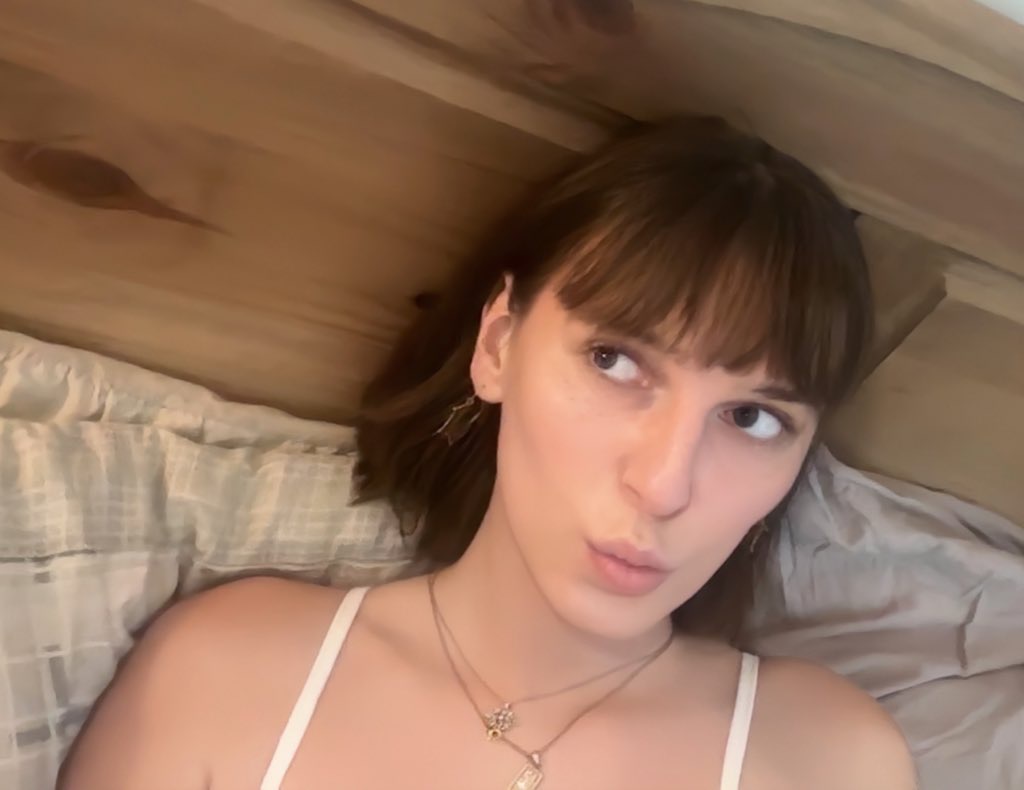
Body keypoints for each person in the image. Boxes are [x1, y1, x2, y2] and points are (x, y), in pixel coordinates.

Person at [59, 116, 917, 789]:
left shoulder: (826, 760)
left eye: (753, 418)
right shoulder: (227, 672)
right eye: (615, 362)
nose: (663, 485)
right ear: (499, 343)